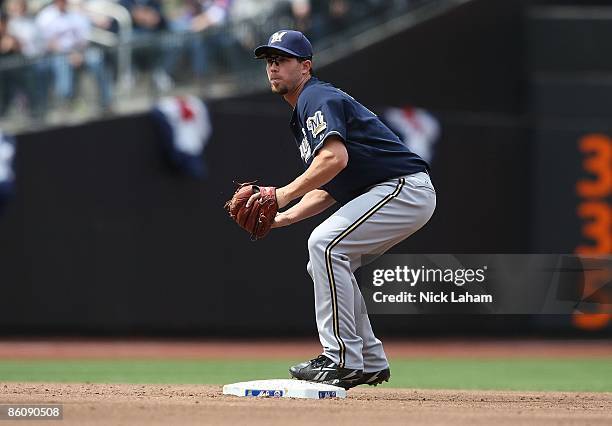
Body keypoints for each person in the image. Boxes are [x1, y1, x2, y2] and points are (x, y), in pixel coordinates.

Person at [249, 30, 436, 389]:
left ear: (305, 67)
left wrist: (283, 194)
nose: (273, 68)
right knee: (326, 257)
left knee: (326, 245)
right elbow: (331, 186)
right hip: (400, 191)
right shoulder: (308, 107)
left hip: (402, 187)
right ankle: (367, 359)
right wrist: (285, 216)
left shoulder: (315, 96)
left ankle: (341, 359)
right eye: (269, 62)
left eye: (282, 60)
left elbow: (334, 159)